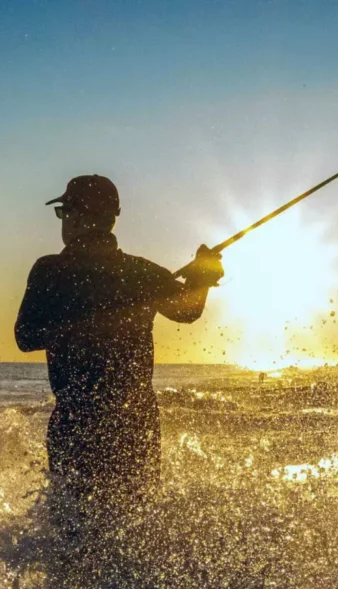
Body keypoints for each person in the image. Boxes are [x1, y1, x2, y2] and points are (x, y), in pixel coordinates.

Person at [15, 175, 223, 501]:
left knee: (72, 528)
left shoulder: (49, 270)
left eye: (64, 212)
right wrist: (203, 275)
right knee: (135, 519)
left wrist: (72, 326)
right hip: (136, 423)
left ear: (81, 215)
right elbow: (188, 311)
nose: (63, 222)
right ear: (112, 217)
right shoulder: (142, 272)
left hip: (75, 423)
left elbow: (25, 337)